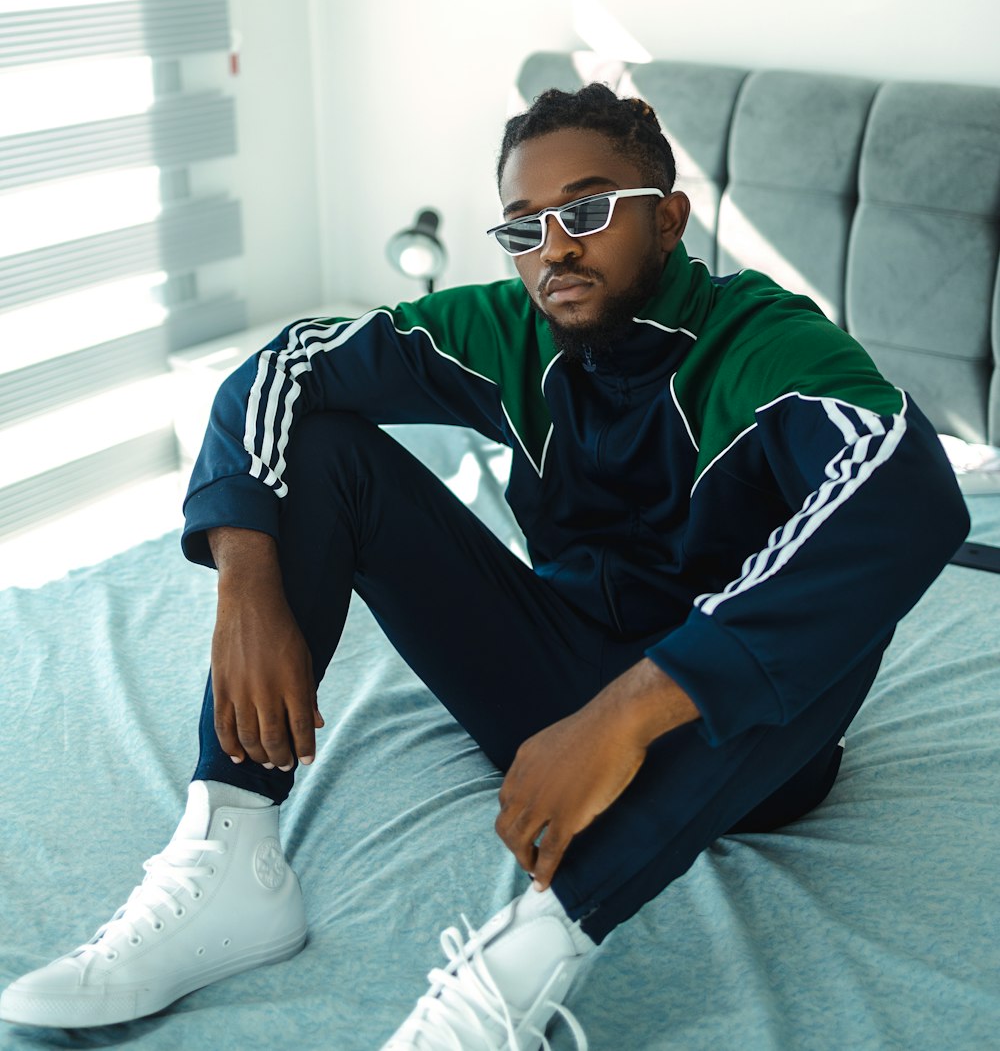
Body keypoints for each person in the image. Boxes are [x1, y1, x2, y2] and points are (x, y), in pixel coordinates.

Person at [1, 84, 969, 1049]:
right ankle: (232, 853)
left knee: (851, 588)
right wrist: (245, 583)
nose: (554, 248)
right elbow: (282, 367)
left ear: (668, 219)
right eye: (522, 228)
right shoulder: (514, 336)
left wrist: (629, 712)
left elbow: (910, 489)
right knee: (322, 447)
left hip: (743, 748)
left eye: (586, 211)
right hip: (552, 696)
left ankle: (517, 969)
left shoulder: (764, 345)